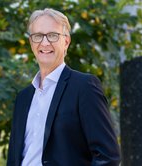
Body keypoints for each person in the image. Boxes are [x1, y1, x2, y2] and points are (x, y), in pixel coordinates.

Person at [7, 8, 121, 166]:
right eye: (38, 36)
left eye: (52, 35)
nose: (45, 42)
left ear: (66, 41)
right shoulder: (23, 98)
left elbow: (108, 156)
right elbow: (13, 158)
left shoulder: (84, 87)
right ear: (31, 42)